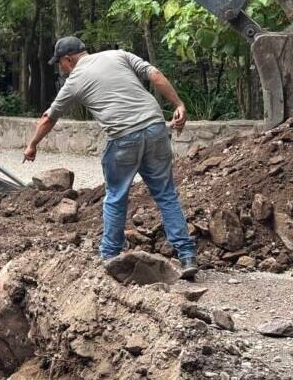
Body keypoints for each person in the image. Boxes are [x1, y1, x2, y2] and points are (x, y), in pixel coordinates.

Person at [23, 36, 198, 278]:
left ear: (68, 59)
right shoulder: (119, 55)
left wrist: (32, 145)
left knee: (116, 197)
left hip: (124, 138)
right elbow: (155, 74)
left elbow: (48, 118)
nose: (60, 68)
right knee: (166, 194)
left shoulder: (73, 81)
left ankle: (110, 256)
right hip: (157, 129)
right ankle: (187, 256)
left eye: (60, 64)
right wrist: (178, 104)